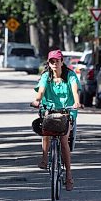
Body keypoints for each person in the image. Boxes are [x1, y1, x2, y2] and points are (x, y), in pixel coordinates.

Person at [31, 49, 81, 191]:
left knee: (64, 140)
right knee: (46, 130)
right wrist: (37, 101)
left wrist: (76, 102)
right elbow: (41, 91)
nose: (54, 64)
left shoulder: (70, 75)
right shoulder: (46, 76)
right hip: (50, 111)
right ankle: (45, 158)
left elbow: (74, 90)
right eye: (51, 61)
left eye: (57, 61)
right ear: (49, 63)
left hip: (66, 112)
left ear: (62, 62)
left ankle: (69, 175)